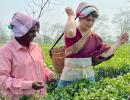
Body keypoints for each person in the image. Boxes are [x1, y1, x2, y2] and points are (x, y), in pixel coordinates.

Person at [57, 2, 129, 88]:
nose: (90, 23)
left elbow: (105, 54)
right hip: (69, 76)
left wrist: (119, 42)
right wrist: (71, 16)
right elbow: (70, 33)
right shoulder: (73, 31)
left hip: (88, 76)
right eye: (88, 20)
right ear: (80, 18)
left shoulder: (95, 38)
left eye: (93, 20)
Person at [0, 12, 55, 100]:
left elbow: (42, 67)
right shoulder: (6, 52)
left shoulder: (36, 48)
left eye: (36, 31)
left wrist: (49, 74)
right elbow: (2, 81)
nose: (35, 35)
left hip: (42, 97)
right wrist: (30, 85)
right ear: (21, 32)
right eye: (32, 32)